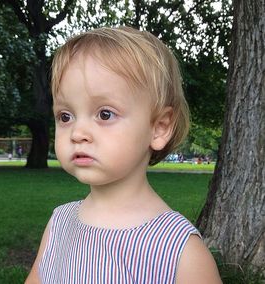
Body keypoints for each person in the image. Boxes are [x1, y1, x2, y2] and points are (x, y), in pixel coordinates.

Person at [25, 27, 222, 284]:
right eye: (65, 116)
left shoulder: (179, 252)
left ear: (159, 127)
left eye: (105, 114)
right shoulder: (59, 225)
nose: (77, 132)